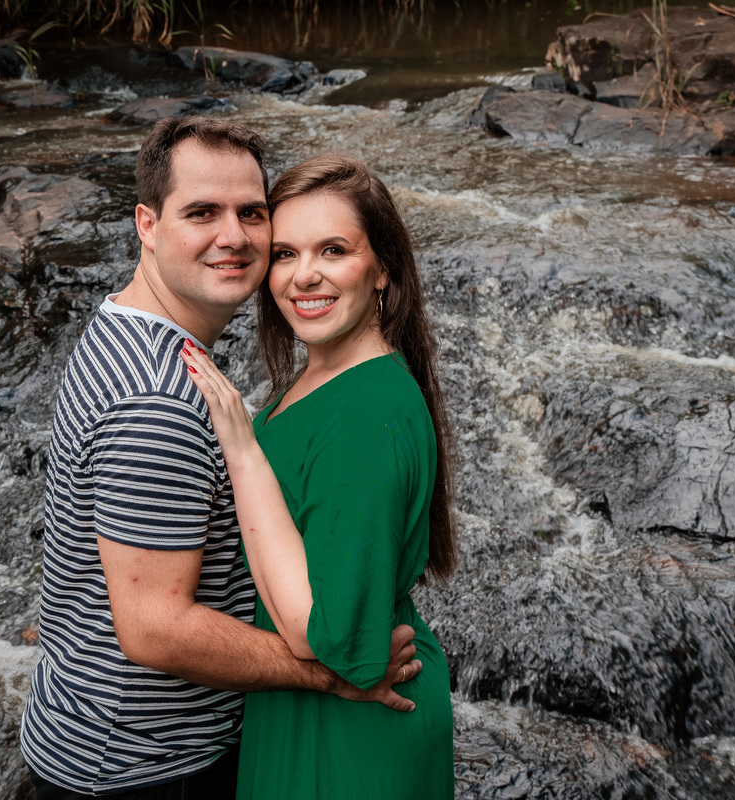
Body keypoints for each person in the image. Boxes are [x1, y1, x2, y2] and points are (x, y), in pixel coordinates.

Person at [19, 118, 422, 800]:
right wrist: (329, 673)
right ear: (147, 224)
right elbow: (155, 629)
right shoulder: (156, 399)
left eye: (251, 213)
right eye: (201, 212)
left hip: (99, 733)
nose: (233, 236)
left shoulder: (123, 323)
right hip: (143, 765)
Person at [181, 153, 457, 799]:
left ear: (383, 268)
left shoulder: (366, 412)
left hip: (351, 733)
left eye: (333, 250)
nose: (304, 276)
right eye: (284, 254)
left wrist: (243, 450)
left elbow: (317, 632)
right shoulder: (324, 371)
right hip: (314, 712)